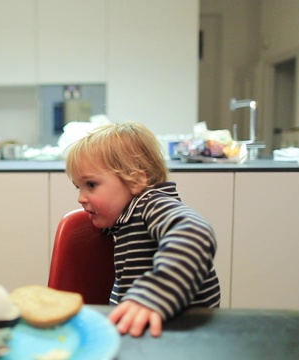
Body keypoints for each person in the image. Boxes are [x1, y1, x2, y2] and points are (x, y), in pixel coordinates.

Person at [64, 121, 221, 337]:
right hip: (153, 333)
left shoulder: (153, 205)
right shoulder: (124, 217)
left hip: (182, 337)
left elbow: (195, 233)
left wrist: (153, 296)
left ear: (136, 181)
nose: (81, 198)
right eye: (78, 187)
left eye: (91, 185)